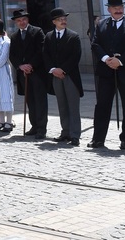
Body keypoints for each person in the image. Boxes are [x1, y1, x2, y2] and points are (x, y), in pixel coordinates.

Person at [89, 0, 125, 150]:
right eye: (115, 8)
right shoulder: (101, 25)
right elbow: (95, 44)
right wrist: (106, 59)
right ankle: (98, 139)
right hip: (106, 72)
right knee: (102, 106)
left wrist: (119, 61)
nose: (118, 10)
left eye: (120, 7)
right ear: (109, 9)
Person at [43, 8, 83, 146]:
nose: (63, 21)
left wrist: (63, 69)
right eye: (60, 19)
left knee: (73, 105)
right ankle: (65, 131)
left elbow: (75, 56)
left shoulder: (73, 36)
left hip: (70, 75)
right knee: (62, 105)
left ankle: (75, 134)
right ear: (54, 22)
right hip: (55, 76)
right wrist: (54, 70)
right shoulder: (48, 36)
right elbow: (46, 55)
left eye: (64, 19)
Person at [9, 8, 48, 139]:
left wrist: (31, 65)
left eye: (24, 19)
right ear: (16, 22)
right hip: (23, 73)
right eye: (19, 20)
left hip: (37, 72)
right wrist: (20, 66)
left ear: (28, 20)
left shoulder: (37, 32)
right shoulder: (14, 36)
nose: (22, 22)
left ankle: (42, 128)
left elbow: (41, 50)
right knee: (30, 100)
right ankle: (34, 126)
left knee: (40, 101)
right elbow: (12, 55)